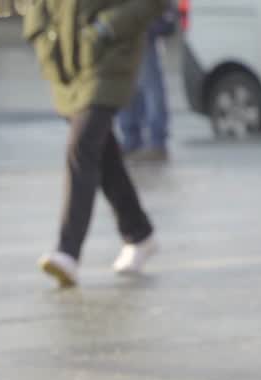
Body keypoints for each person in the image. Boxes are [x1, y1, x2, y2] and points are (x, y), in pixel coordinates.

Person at [26, 0, 169, 288]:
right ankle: (138, 233)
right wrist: (39, 30)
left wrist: (107, 27)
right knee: (103, 153)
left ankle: (68, 252)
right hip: (66, 57)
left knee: (82, 146)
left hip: (109, 56)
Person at [117, 4, 176, 162]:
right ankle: (132, 140)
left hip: (142, 30)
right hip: (126, 31)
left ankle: (155, 142)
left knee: (151, 90)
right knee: (127, 88)